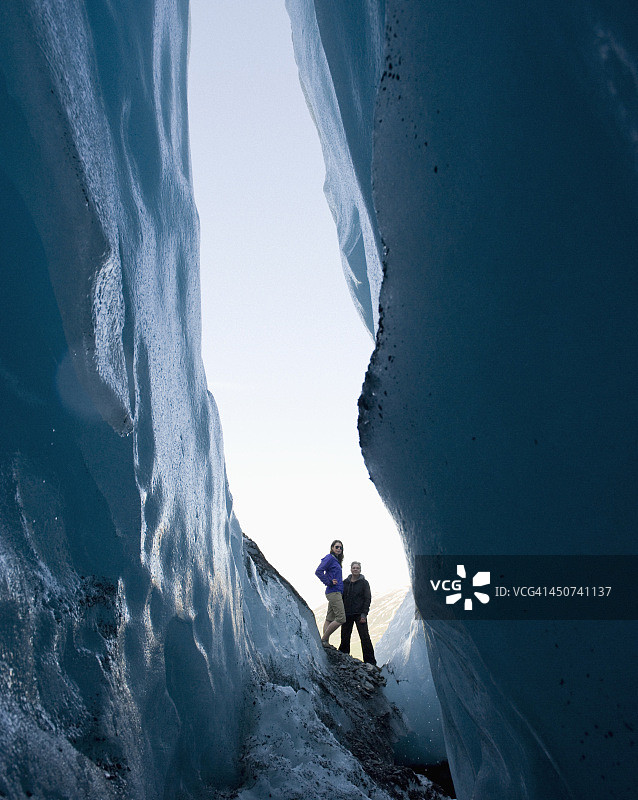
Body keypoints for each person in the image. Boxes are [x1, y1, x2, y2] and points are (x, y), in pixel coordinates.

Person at [338, 561, 377, 665]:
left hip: (360, 614)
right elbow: (340, 597)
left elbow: (367, 599)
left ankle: (370, 662)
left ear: (360, 570)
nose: (355, 569)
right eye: (354, 568)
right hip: (347, 613)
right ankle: (343, 658)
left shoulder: (364, 583)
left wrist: (364, 614)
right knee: (345, 636)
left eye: (357, 568)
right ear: (351, 569)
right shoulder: (345, 583)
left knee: (365, 637)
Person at [315, 540, 345, 643]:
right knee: (341, 618)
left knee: (329, 618)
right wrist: (329, 582)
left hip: (336, 592)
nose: (339, 549)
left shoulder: (335, 560)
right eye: (337, 547)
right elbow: (318, 571)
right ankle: (323, 640)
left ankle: (325, 643)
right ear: (332, 548)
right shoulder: (329, 558)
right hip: (333, 592)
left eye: (341, 547)